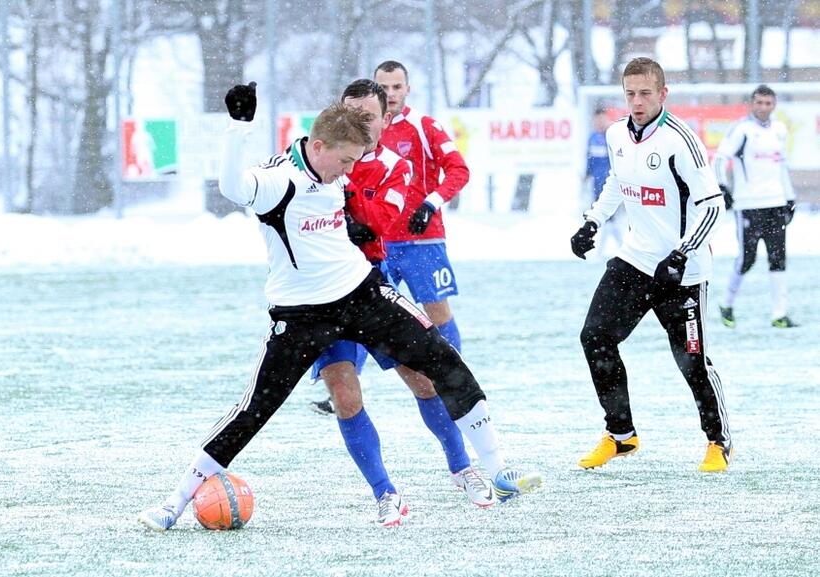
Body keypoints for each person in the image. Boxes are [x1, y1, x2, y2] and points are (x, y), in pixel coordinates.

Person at [138, 84, 541, 531]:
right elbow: (233, 187)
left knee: (442, 362)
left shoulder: (344, 170)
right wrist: (238, 129)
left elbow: (373, 209)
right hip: (300, 315)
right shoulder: (278, 179)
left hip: (361, 294)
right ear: (320, 144)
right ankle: (172, 505)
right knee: (255, 410)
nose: (349, 172)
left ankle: (498, 469)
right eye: (346, 161)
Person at [308, 79, 500, 514]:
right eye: (350, 113)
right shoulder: (313, 162)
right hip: (318, 296)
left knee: (421, 376)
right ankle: (384, 492)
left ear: (386, 118)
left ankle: (462, 466)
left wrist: (344, 201)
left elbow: (374, 222)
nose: (357, 123)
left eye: (368, 117)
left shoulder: (395, 165)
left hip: (369, 290)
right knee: (344, 392)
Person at [569, 58, 732, 473]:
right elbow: (616, 182)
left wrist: (682, 253)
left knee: (691, 361)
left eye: (645, 93)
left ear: (663, 94)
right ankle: (621, 435)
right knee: (596, 337)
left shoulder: (683, 140)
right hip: (634, 260)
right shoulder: (616, 134)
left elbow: (713, 205)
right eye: (630, 94)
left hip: (683, 272)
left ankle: (717, 441)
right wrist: (592, 222)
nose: (637, 102)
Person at [372, 60, 468, 378]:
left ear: (407, 89)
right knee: (362, 313)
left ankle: (455, 379)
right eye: (383, 88)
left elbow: (459, 170)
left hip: (422, 241)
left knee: (436, 311)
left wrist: (431, 203)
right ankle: (343, 388)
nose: (390, 93)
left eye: (397, 87)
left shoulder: (424, 126)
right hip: (378, 242)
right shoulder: (366, 130)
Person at [713, 84, 798, 329]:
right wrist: (722, 187)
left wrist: (789, 197)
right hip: (749, 205)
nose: (763, 107)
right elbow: (720, 158)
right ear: (752, 104)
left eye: (768, 103)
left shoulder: (780, 130)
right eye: (759, 103)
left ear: (774, 105)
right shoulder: (742, 130)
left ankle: (779, 314)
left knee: (778, 258)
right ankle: (727, 303)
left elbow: (782, 166)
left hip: (775, 203)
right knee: (747, 259)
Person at [584, 106, 624, 253]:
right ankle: (612, 248)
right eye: (596, 120)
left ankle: (608, 249)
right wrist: (586, 174)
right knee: (604, 217)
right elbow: (589, 159)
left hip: (612, 183)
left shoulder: (612, 136)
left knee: (610, 216)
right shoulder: (592, 138)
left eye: (601, 119)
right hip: (597, 182)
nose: (599, 122)